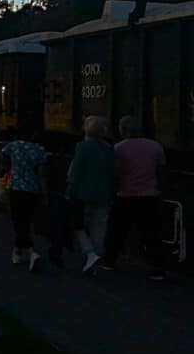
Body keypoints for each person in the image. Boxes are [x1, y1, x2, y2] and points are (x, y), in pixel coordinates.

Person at [103, 116, 167, 280]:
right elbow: (161, 171)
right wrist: (159, 189)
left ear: (123, 130)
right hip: (150, 195)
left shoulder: (118, 148)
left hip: (125, 195)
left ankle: (109, 261)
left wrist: (114, 190)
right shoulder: (155, 146)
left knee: (117, 231)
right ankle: (157, 268)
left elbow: (115, 173)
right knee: (152, 233)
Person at [64, 116, 115, 274]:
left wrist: (71, 191)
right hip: (104, 194)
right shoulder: (108, 149)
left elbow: (76, 173)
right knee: (99, 229)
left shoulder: (82, 147)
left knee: (77, 225)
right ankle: (95, 262)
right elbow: (113, 172)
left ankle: (90, 253)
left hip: (83, 194)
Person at [0, 127, 47, 272]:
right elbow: (41, 175)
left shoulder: (14, 146)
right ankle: (17, 251)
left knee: (18, 220)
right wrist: (44, 193)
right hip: (32, 188)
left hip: (15, 187)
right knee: (26, 219)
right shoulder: (40, 150)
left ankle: (31, 251)